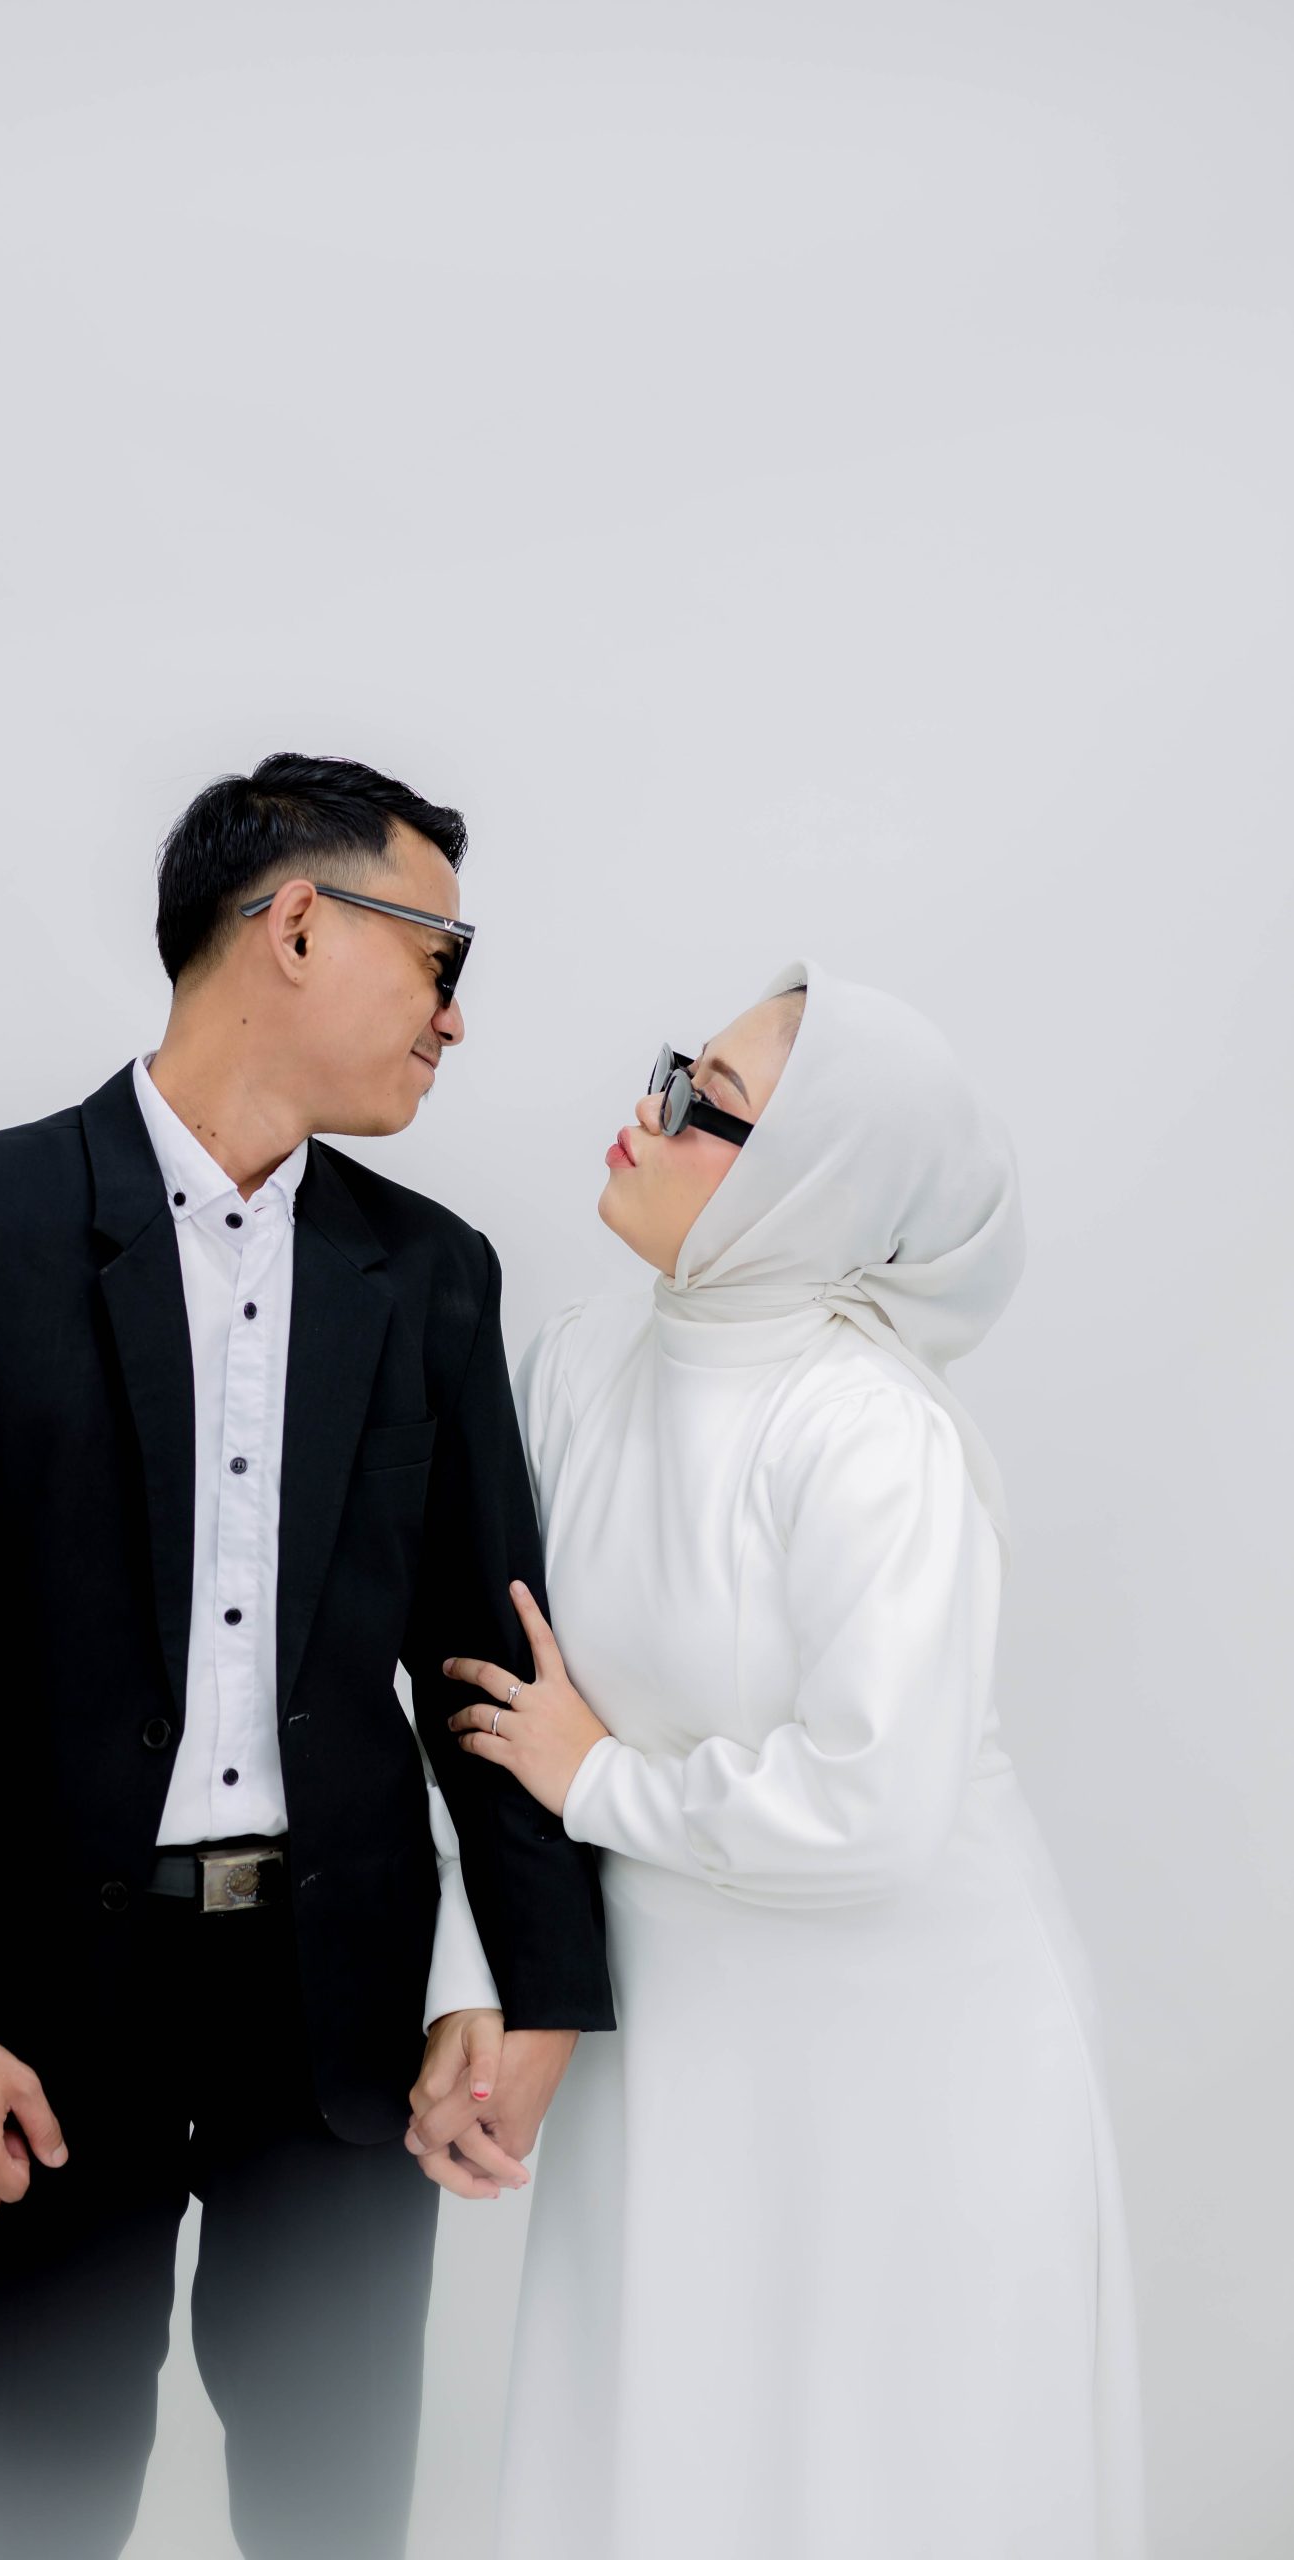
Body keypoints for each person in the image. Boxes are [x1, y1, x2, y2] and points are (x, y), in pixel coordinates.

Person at [0, 752, 614, 2560]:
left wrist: (531, 1981)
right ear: (296, 925)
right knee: (37, 2515)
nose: (456, 1018)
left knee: (336, 2518)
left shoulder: (431, 1273)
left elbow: (490, 1664)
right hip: (30, 2020)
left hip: (339, 2016)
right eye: (441, 960)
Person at [423, 960, 1144, 2559]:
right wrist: (478, 1982)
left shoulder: (868, 1433)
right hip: (680, 2049)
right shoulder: (574, 1364)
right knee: (675, 2459)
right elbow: (483, 1713)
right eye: (674, 1066)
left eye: (707, 1103)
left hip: (913, 2061)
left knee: (890, 2482)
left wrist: (599, 1782)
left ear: (813, 1182)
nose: (649, 1106)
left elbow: (873, 1806)